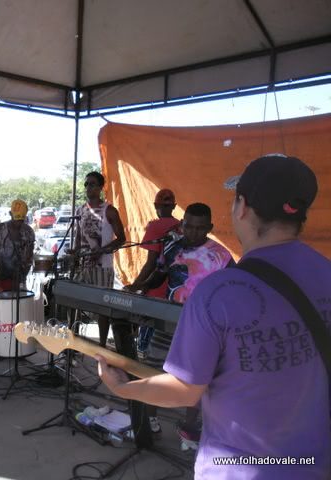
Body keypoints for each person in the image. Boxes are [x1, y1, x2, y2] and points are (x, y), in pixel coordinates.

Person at [97, 155, 329, 479]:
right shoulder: (326, 272)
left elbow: (184, 391)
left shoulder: (218, 291)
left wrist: (123, 388)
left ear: (242, 207)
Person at [137, 202, 233, 438]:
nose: (193, 232)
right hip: (169, 321)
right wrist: (140, 286)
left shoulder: (222, 256)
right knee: (154, 371)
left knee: (197, 378)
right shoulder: (172, 247)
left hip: (202, 328)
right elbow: (159, 275)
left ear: (210, 228)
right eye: (188, 226)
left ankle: (189, 426)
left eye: (200, 228)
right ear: (182, 224)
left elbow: (234, 290)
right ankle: (151, 420)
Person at [72, 171, 126, 350]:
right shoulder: (80, 210)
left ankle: (102, 346)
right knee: (74, 301)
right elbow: (78, 238)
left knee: (102, 307)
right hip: (83, 265)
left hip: (103, 267)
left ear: (101, 187)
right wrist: (74, 253)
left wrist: (102, 250)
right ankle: (74, 340)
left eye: (93, 184)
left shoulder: (109, 210)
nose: (89, 187)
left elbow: (121, 239)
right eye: (86, 184)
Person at [126, 189, 181, 359]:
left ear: (156, 205)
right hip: (174, 290)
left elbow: (151, 263)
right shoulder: (180, 226)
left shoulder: (155, 226)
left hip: (156, 288)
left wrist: (136, 285)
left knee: (147, 344)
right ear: (174, 206)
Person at [0, 199, 35, 291]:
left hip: (20, 279)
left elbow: (29, 256)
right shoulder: (0, 229)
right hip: (2, 277)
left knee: (21, 299)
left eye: (21, 220)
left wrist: (23, 275)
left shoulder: (29, 232)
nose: (18, 224)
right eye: (16, 219)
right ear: (10, 214)